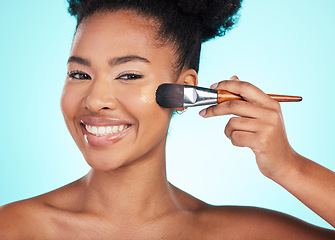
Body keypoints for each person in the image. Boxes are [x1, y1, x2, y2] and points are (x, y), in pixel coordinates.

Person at [1, 0, 334, 238]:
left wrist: (289, 167)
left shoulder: (243, 233)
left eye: (129, 75)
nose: (96, 100)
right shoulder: (15, 228)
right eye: (79, 73)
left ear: (185, 89)